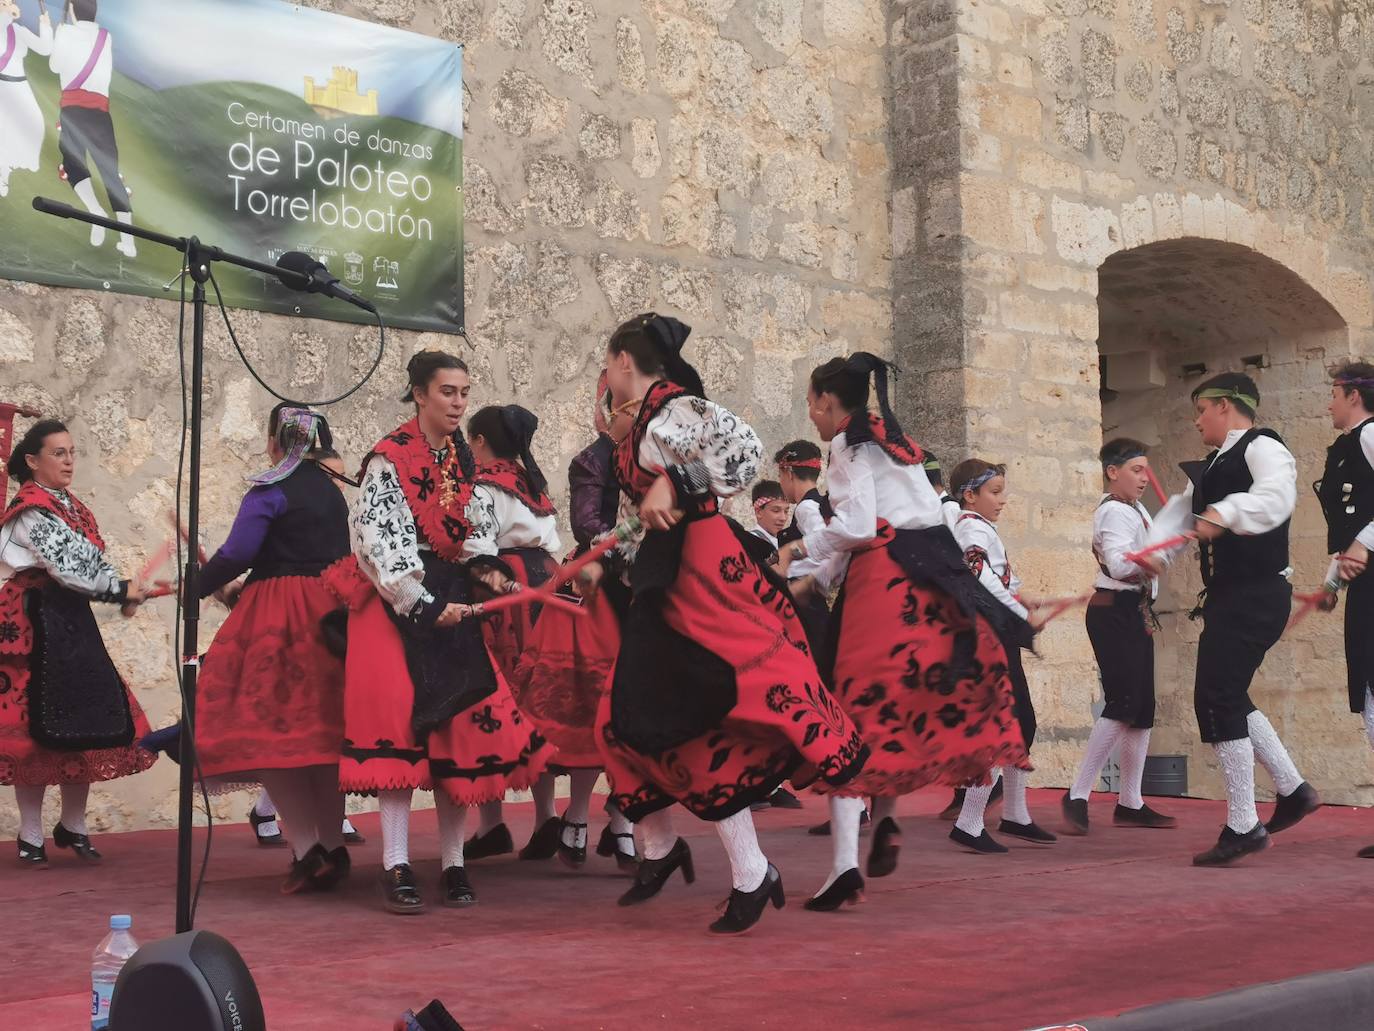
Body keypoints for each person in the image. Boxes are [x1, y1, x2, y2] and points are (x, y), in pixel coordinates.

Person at [589, 313, 867, 934]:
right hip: (667, 574)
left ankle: (743, 869)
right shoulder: (639, 421)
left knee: (695, 712)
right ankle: (668, 850)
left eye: (606, 363)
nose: (603, 375)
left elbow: (741, 452)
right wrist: (611, 550)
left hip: (702, 576)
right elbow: (648, 511)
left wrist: (676, 484)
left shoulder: (674, 409)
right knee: (621, 716)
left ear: (622, 360)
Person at [781, 354, 1028, 909]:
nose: (812, 416)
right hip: (935, 575)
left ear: (825, 401)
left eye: (810, 405)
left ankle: (845, 865)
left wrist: (800, 552)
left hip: (888, 580)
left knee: (850, 710)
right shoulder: (897, 442)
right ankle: (887, 820)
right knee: (902, 705)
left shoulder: (846, 446)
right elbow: (919, 516)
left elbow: (861, 528)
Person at [323, 351, 552, 913]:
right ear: (420, 394)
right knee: (400, 735)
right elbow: (378, 542)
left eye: (464, 393)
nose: (457, 403)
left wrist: (486, 570)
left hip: (448, 595)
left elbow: (473, 530)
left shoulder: (460, 460)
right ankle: (396, 863)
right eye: (447, 392)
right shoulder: (388, 459)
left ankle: (453, 863)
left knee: (459, 733)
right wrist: (421, 603)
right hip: (396, 603)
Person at [1143, 372, 1319, 866]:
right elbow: (1181, 512)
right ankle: (1292, 789)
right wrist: (1154, 551)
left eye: (1201, 410)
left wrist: (1226, 512)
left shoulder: (1265, 447)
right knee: (1231, 693)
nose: (1197, 420)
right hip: (1230, 596)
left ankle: (1243, 824)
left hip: (1256, 593)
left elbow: (1277, 495)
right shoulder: (1214, 465)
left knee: (1217, 697)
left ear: (1225, 406)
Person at [194, 404, 354, 893]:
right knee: (322, 738)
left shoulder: (268, 490)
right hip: (330, 612)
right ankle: (333, 846)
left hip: (278, 615)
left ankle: (306, 850)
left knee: (269, 732)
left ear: (276, 441)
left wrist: (197, 586)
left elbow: (239, 552)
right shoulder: (333, 493)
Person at [0, 419, 155, 864]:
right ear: (32, 461)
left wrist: (117, 589)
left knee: (83, 716)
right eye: (58, 453)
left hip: (67, 620)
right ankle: (30, 834)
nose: (69, 461)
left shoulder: (69, 505)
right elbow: (67, 564)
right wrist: (118, 589)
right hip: (31, 626)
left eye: (72, 452)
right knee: (34, 734)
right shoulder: (31, 509)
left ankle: (73, 824)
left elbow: (86, 564)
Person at [513, 374, 639, 871]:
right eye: (627, 407)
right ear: (609, 413)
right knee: (592, 708)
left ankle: (623, 813)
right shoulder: (593, 459)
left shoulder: (654, 454)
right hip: (597, 589)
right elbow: (589, 526)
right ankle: (582, 814)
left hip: (645, 589)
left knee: (636, 709)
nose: (637, 416)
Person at [459, 403, 578, 865]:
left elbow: (477, 547)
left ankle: (492, 825)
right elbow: (552, 545)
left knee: (494, 699)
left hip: (504, 594)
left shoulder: (484, 486)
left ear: (482, 443)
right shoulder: (534, 487)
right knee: (537, 701)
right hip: (544, 588)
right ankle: (546, 814)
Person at [1061, 438, 1176, 834]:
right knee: (1124, 702)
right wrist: (1156, 559)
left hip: (1134, 610)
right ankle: (1077, 793)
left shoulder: (1136, 509)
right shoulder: (1114, 512)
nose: (1145, 478)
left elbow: (1147, 553)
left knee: (1142, 709)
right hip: (1114, 610)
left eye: (1146, 469)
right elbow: (1118, 561)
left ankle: (1130, 800)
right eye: (1137, 470)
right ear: (1113, 472)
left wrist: (1171, 542)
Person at [947, 459, 1056, 853]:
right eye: (994, 492)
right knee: (1007, 721)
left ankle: (1015, 814)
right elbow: (981, 575)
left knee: (1018, 720)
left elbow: (999, 575)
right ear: (969, 495)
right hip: (987, 635)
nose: (1002, 500)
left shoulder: (981, 528)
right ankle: (970, 821)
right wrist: (1020, 609)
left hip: (996, 632)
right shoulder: (971, 527)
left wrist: (1025, 598)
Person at [1314, 363, 1374, 857]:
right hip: (1364, 583)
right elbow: (1347, 529)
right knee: (1369, 685)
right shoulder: (1346, 446)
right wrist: (1331, 582)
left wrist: (1363, 546)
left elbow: (1362, 529)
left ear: (1353, 395)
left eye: (1333, 393)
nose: (1329, 402)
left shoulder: (1373, 435)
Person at [49, 0, 136, 258]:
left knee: (74, 166)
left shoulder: (66, 32)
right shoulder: (105, 37)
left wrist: (59, 34)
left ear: (72, 8)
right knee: (111, 174)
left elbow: (55, 66)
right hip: (101, 113)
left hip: (74, 110)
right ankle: (128, 242)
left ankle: (96, 211)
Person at [0, 3, 53, 198]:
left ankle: (4, 173)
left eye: (9, 2)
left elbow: (45, 49)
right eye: (2, 2)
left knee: (29, 129)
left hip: (19, 88)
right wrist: (7, 15)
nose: (6, 5)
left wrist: (45, 26)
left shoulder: (18, 31)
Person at [748, 480, 789, 553]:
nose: (783, 518)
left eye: (786, 511)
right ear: (759, 512)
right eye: (776, 511)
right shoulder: (751, 543)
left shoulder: (783, 542)